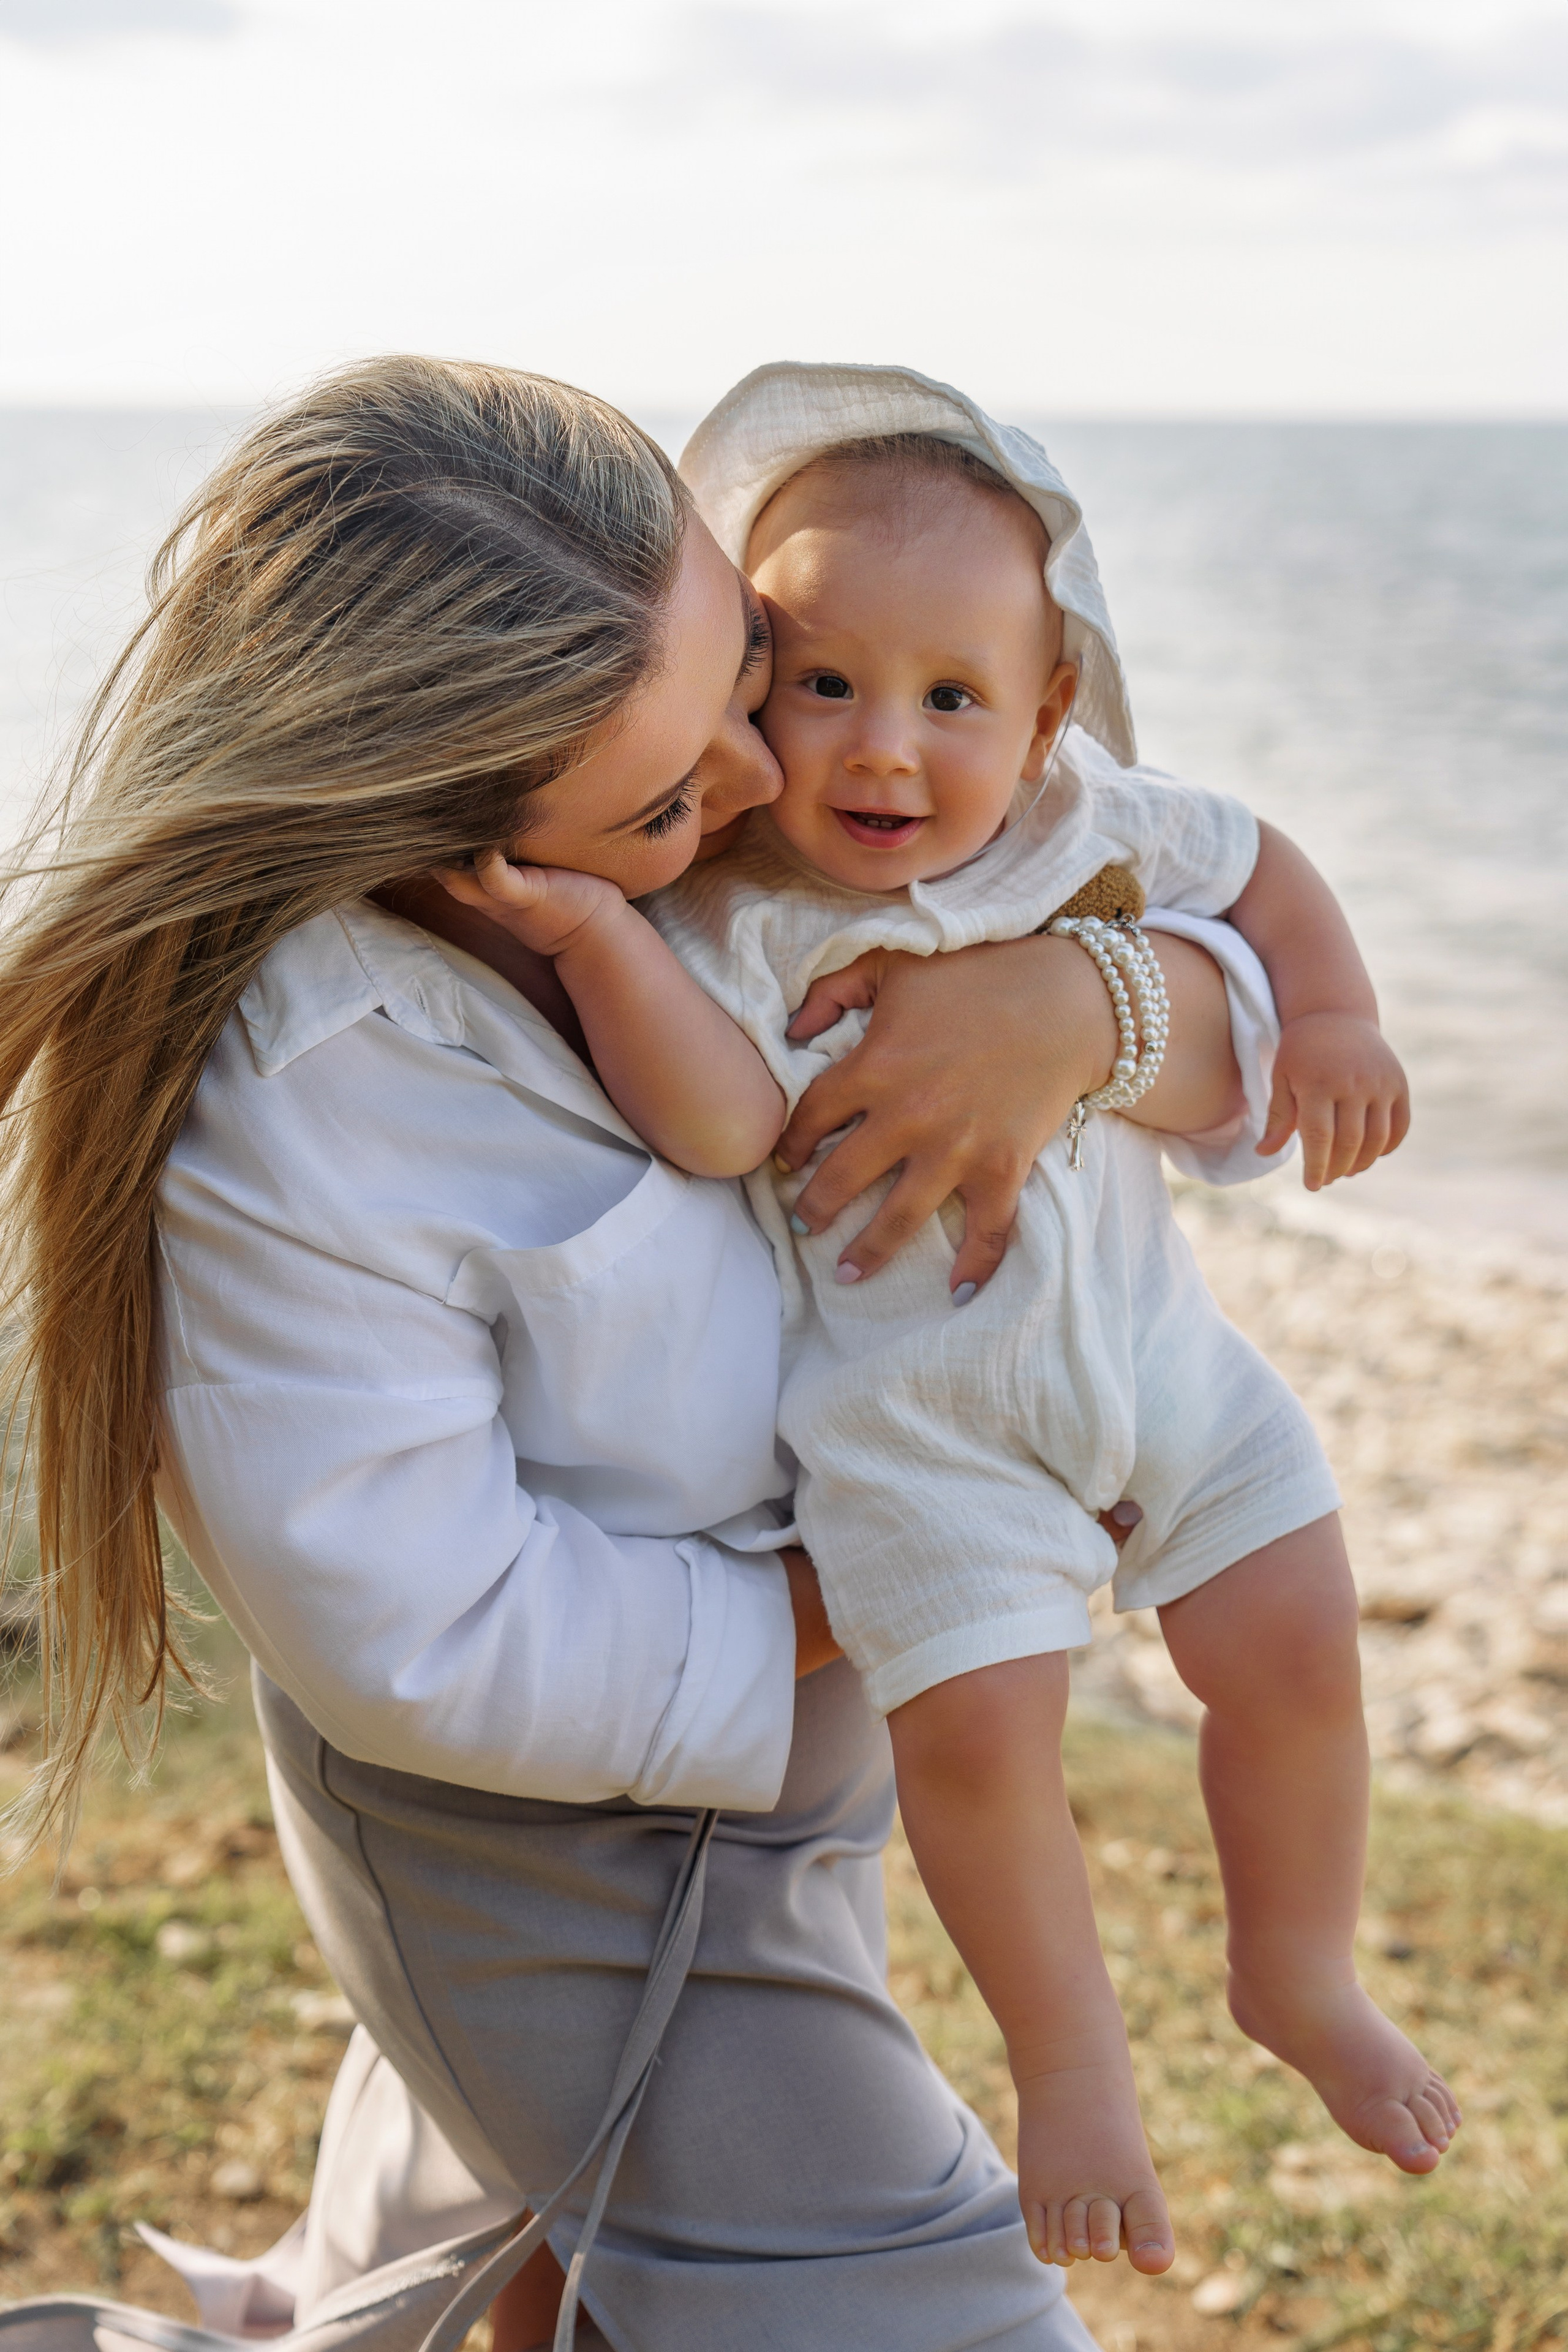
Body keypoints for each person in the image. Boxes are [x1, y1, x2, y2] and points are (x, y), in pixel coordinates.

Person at [0, 356, 1263, 2352]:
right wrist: (884, 1584)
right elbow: (427, 1631)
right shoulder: (320, 1097)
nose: (776, 777)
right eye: (678, 792)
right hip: (557, 1858)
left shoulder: (710, 828)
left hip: (784, 1805)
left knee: (548, 2284)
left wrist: (1090, 1000)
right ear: (449, 849)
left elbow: (1238, 1031)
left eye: (749, 676)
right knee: (921, 2311)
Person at [442, 363, 1459, 2285]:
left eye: (952, 699)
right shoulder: (722, 917)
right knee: (988, 1751)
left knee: (1303, 1648)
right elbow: (724, 1122)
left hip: (1171, 1375)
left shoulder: (1081, 825)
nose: (884, 752)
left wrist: (1328, 1017)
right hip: (925, 1441)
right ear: (744, 692)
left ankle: (1295, 1970)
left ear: (1049, 706)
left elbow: (1258, 863)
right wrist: (586, 939)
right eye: (823, 683)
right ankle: (1073, 2073)